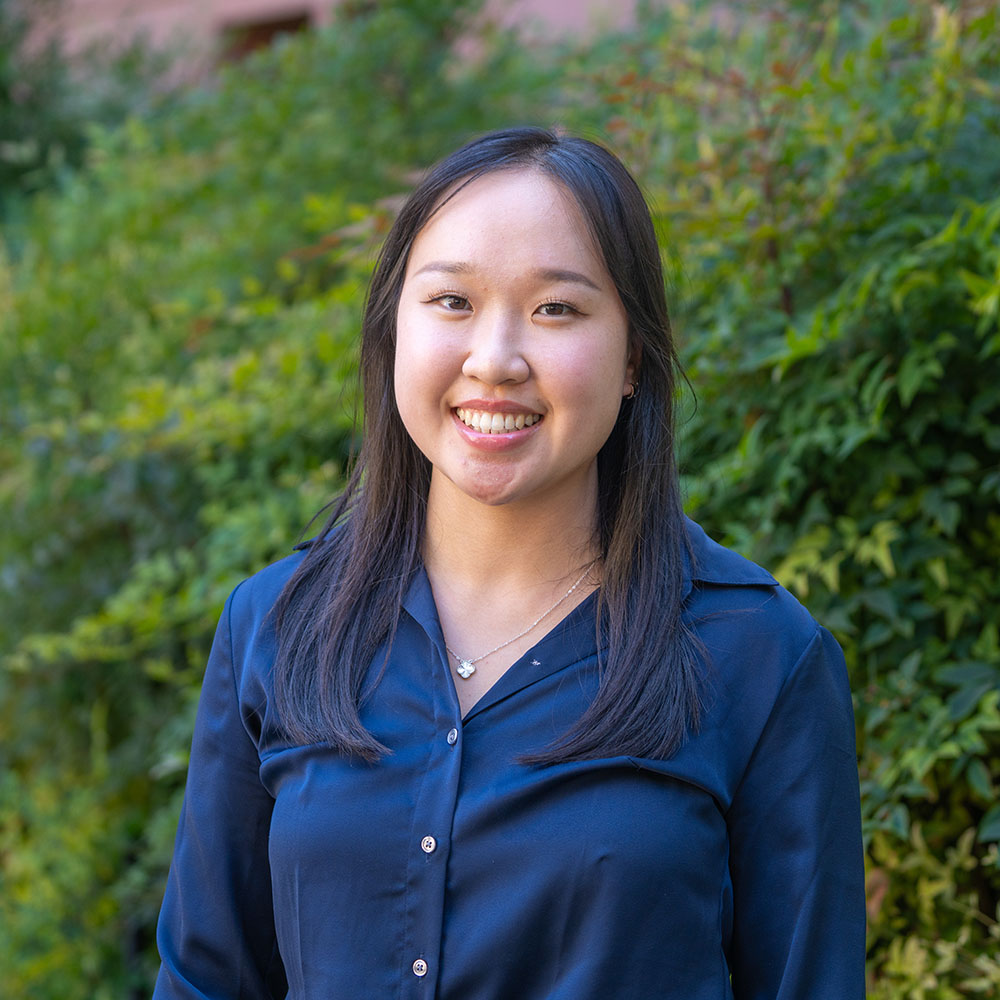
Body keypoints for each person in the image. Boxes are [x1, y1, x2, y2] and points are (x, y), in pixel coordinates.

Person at [152, 127, 865, 999]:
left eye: (556, 308)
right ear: (392, 330)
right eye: (451, 301)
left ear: (634, 355)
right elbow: (205, 979)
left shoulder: (760, 656)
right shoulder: (276, 625)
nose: (493, 360)